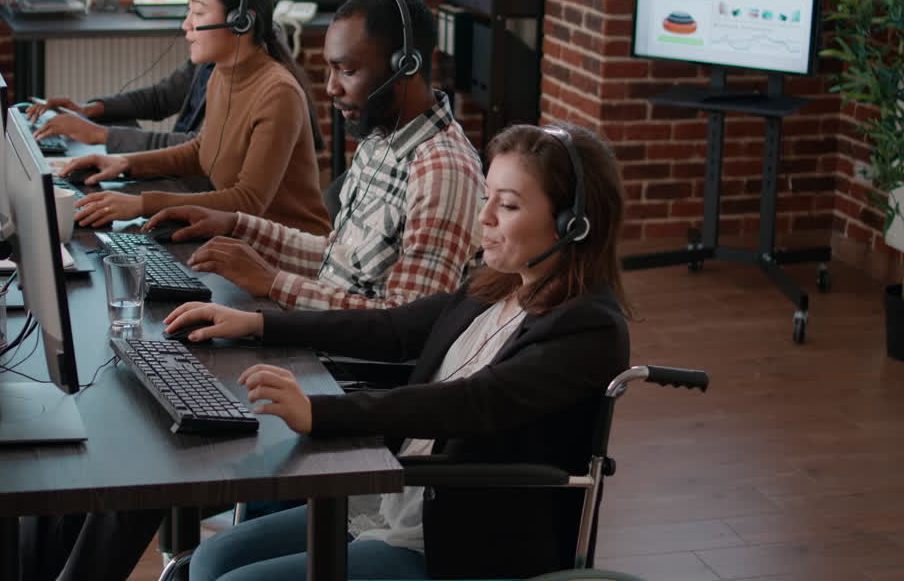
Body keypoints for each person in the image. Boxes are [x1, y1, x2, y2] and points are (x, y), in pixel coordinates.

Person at [163, 123, 633, 581]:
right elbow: (389, 327)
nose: (484, 217)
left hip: (456, 540)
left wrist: (320, 412)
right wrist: (259, 323)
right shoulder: (496, 287)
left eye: (507, 205)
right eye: (486, 197)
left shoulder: (587, 328)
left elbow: (471, 402)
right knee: (210, 562)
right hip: (393, 503)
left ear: (572, 224)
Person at [144, 0, 485, 311]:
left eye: (347, 70)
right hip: (322, 330)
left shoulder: (443, 172)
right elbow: (335, 257)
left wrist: (273, 282)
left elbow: (405, 322)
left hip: (352, 365)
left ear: (407, 66)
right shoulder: (381, 139)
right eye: (330, 70)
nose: (331, 88)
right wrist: (233, 224)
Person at [60, 0, 331, 236]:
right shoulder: (220, 74)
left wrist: (143, 204)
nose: (186, 25)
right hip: (240, 241)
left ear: (240, 21)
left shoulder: (278, 93)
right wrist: (126, 163)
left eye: (198, 13)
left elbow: (249, 202)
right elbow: (202, 150)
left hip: (289, 252)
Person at [25, 0, 273, 153]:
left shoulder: (254, 65)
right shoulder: (221, 41)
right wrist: (89, 110)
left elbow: (201, 151)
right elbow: (163, 97)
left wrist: (101, 135)